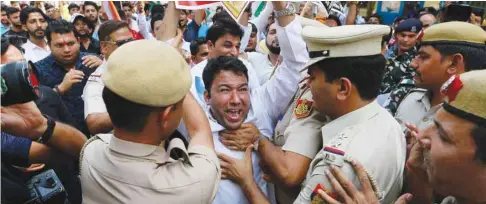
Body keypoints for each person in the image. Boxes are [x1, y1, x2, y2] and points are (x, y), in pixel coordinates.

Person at [190, 1, 309, 203]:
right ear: (207, 97)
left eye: (242, 89)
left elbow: (296, 63)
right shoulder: (193, 119)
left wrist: (280, 6)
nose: (236, 100)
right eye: (225, 90)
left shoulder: (261, 104)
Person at [80, 39, 220, 203]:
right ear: (166, 116)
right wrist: (171, 72)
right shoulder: (189, 184)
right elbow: (200, 131)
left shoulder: (92, 151)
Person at [294, 23, 405, 203]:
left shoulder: (337, 166)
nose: (308, 85)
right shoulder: (388, 122)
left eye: (313, 77)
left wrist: (248, 182)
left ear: (343, 88)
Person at [395, 22, 486, 133]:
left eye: (423, 57)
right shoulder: (412, 99)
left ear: (454, 63)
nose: (413, 64)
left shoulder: (474, 118)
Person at [34, 19, 102, 136]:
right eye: (59, 45)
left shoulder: (94, 62)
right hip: (64, 137)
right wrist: (59, 90)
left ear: (78, 41)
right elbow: (35, 107)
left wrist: (105, 67)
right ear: (49, 45)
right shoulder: (38, 70)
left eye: (70, 44)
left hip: (100, 133)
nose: (66, 50)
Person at [83, 20, 134, 135]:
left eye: (131, 41)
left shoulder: (137, 65)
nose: (129, 47)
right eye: (122, 44)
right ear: (104, 47)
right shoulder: (98, 81)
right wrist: (136, 109)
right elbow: (94, 124)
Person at [381, 18, 422, 115]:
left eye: (411, 36)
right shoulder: (390, 54)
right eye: (402, 35)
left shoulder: (417, 59)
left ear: (417, 38)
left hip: (394, 108)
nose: (405, 40)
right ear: (396, 36)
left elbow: (403, 91)